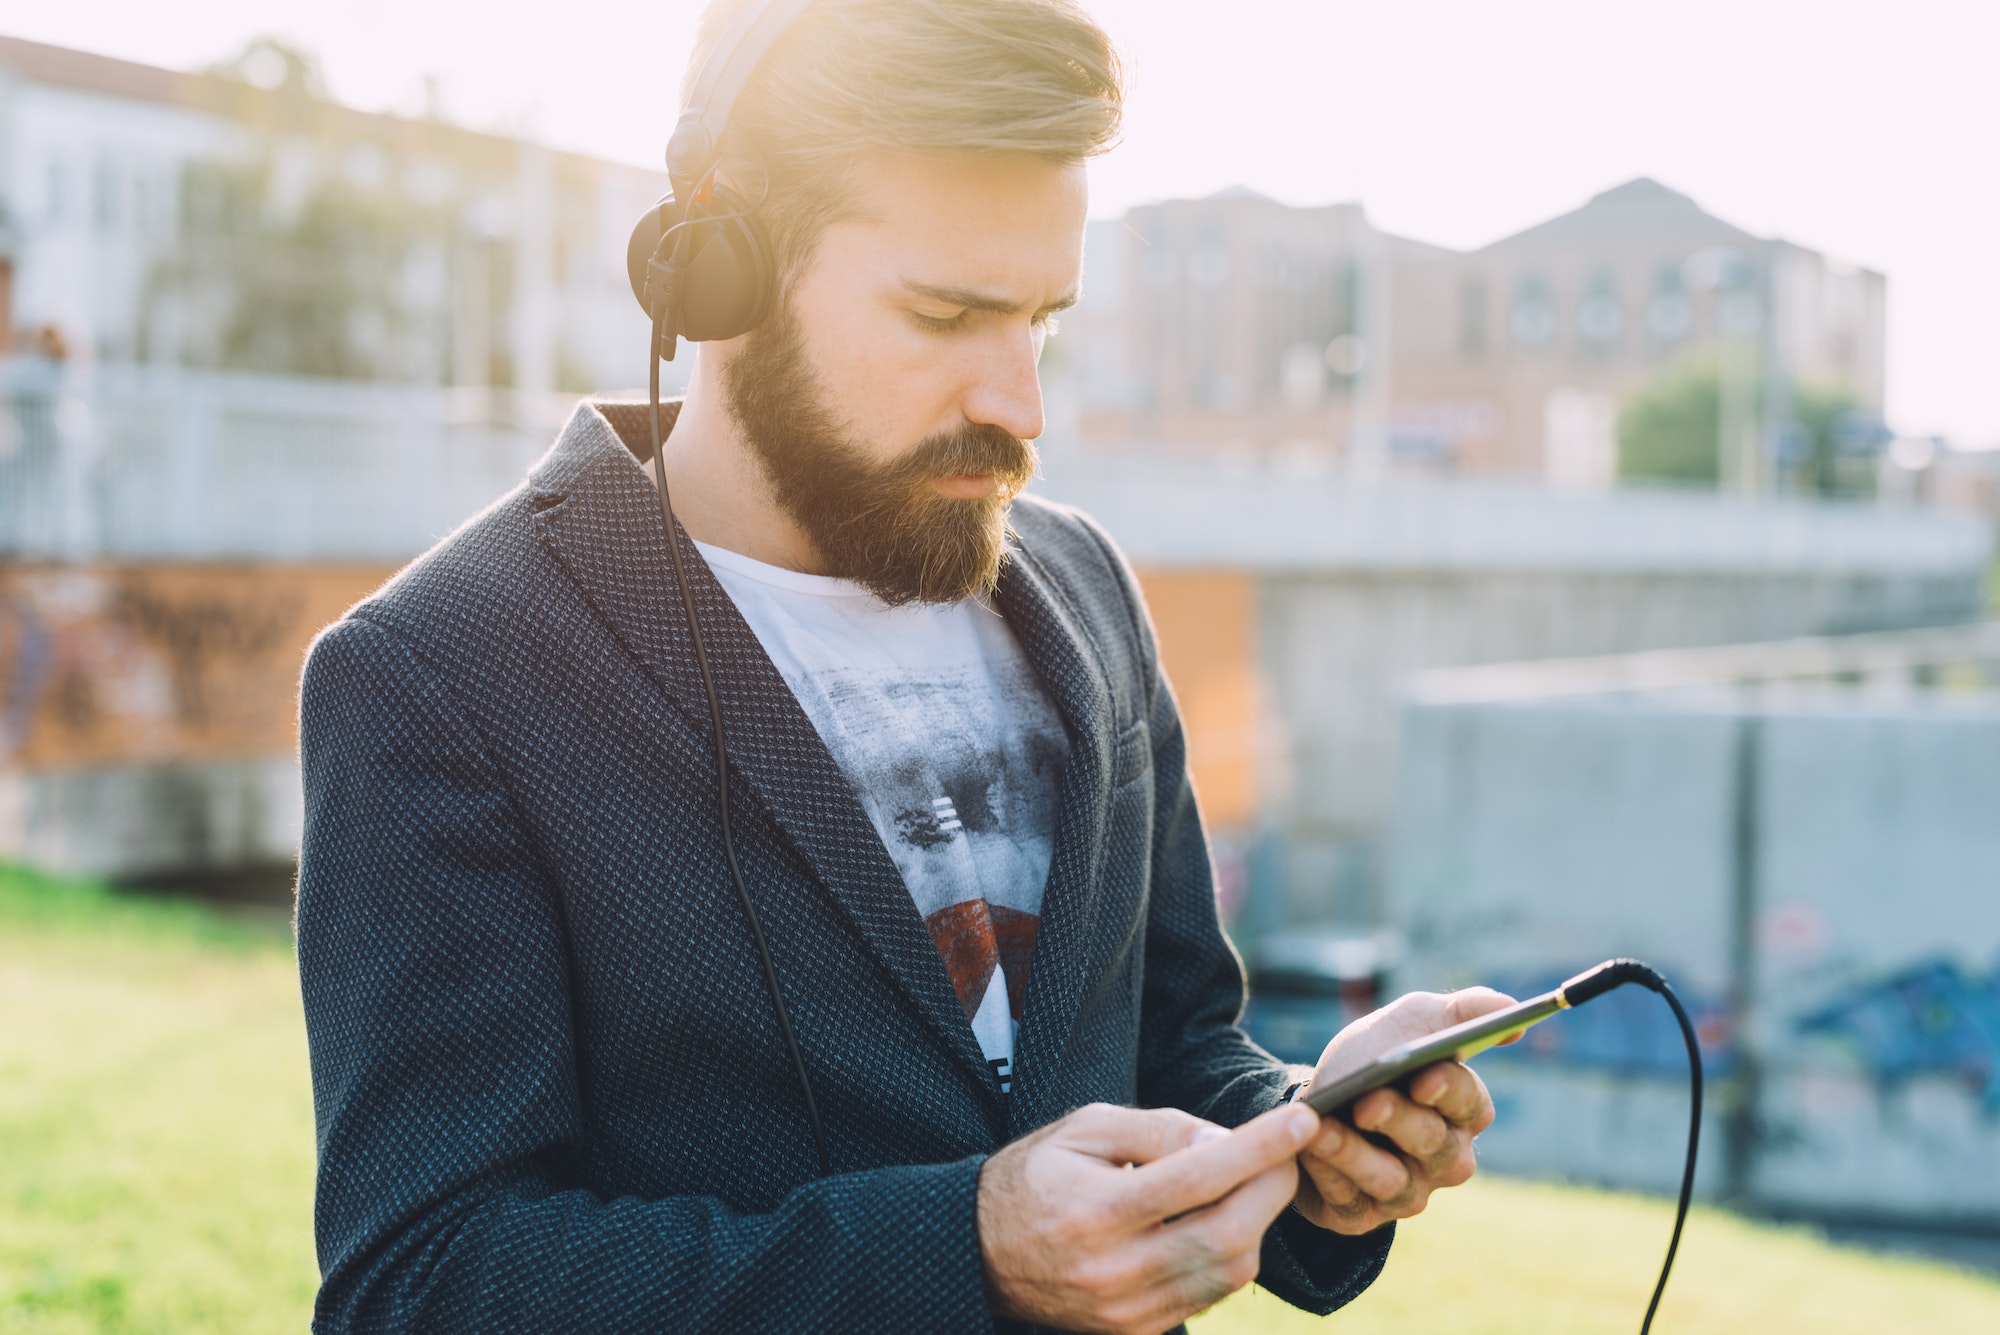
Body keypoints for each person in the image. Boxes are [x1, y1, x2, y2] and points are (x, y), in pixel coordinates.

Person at [295, 2, 1515, 1331]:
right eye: (947, 315)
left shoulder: (1089, 592)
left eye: (1041, 320)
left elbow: (1173, 1053)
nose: (1021, 404)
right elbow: (421, 1285)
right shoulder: (439, 675)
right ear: (723, 267)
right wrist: (965, 1248)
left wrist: (1305, 1137)